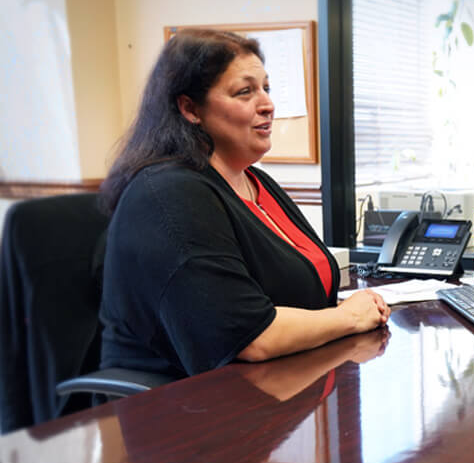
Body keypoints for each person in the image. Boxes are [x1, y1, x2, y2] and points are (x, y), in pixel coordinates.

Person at [99, 29, 388, 378]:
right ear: (190, 108)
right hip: (187, 409)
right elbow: (248, 337)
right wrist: (348, 317)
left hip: (286, 383)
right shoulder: (169, 194)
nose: (267, 104)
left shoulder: (255, 181)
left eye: (266, 88)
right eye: (245, 91)